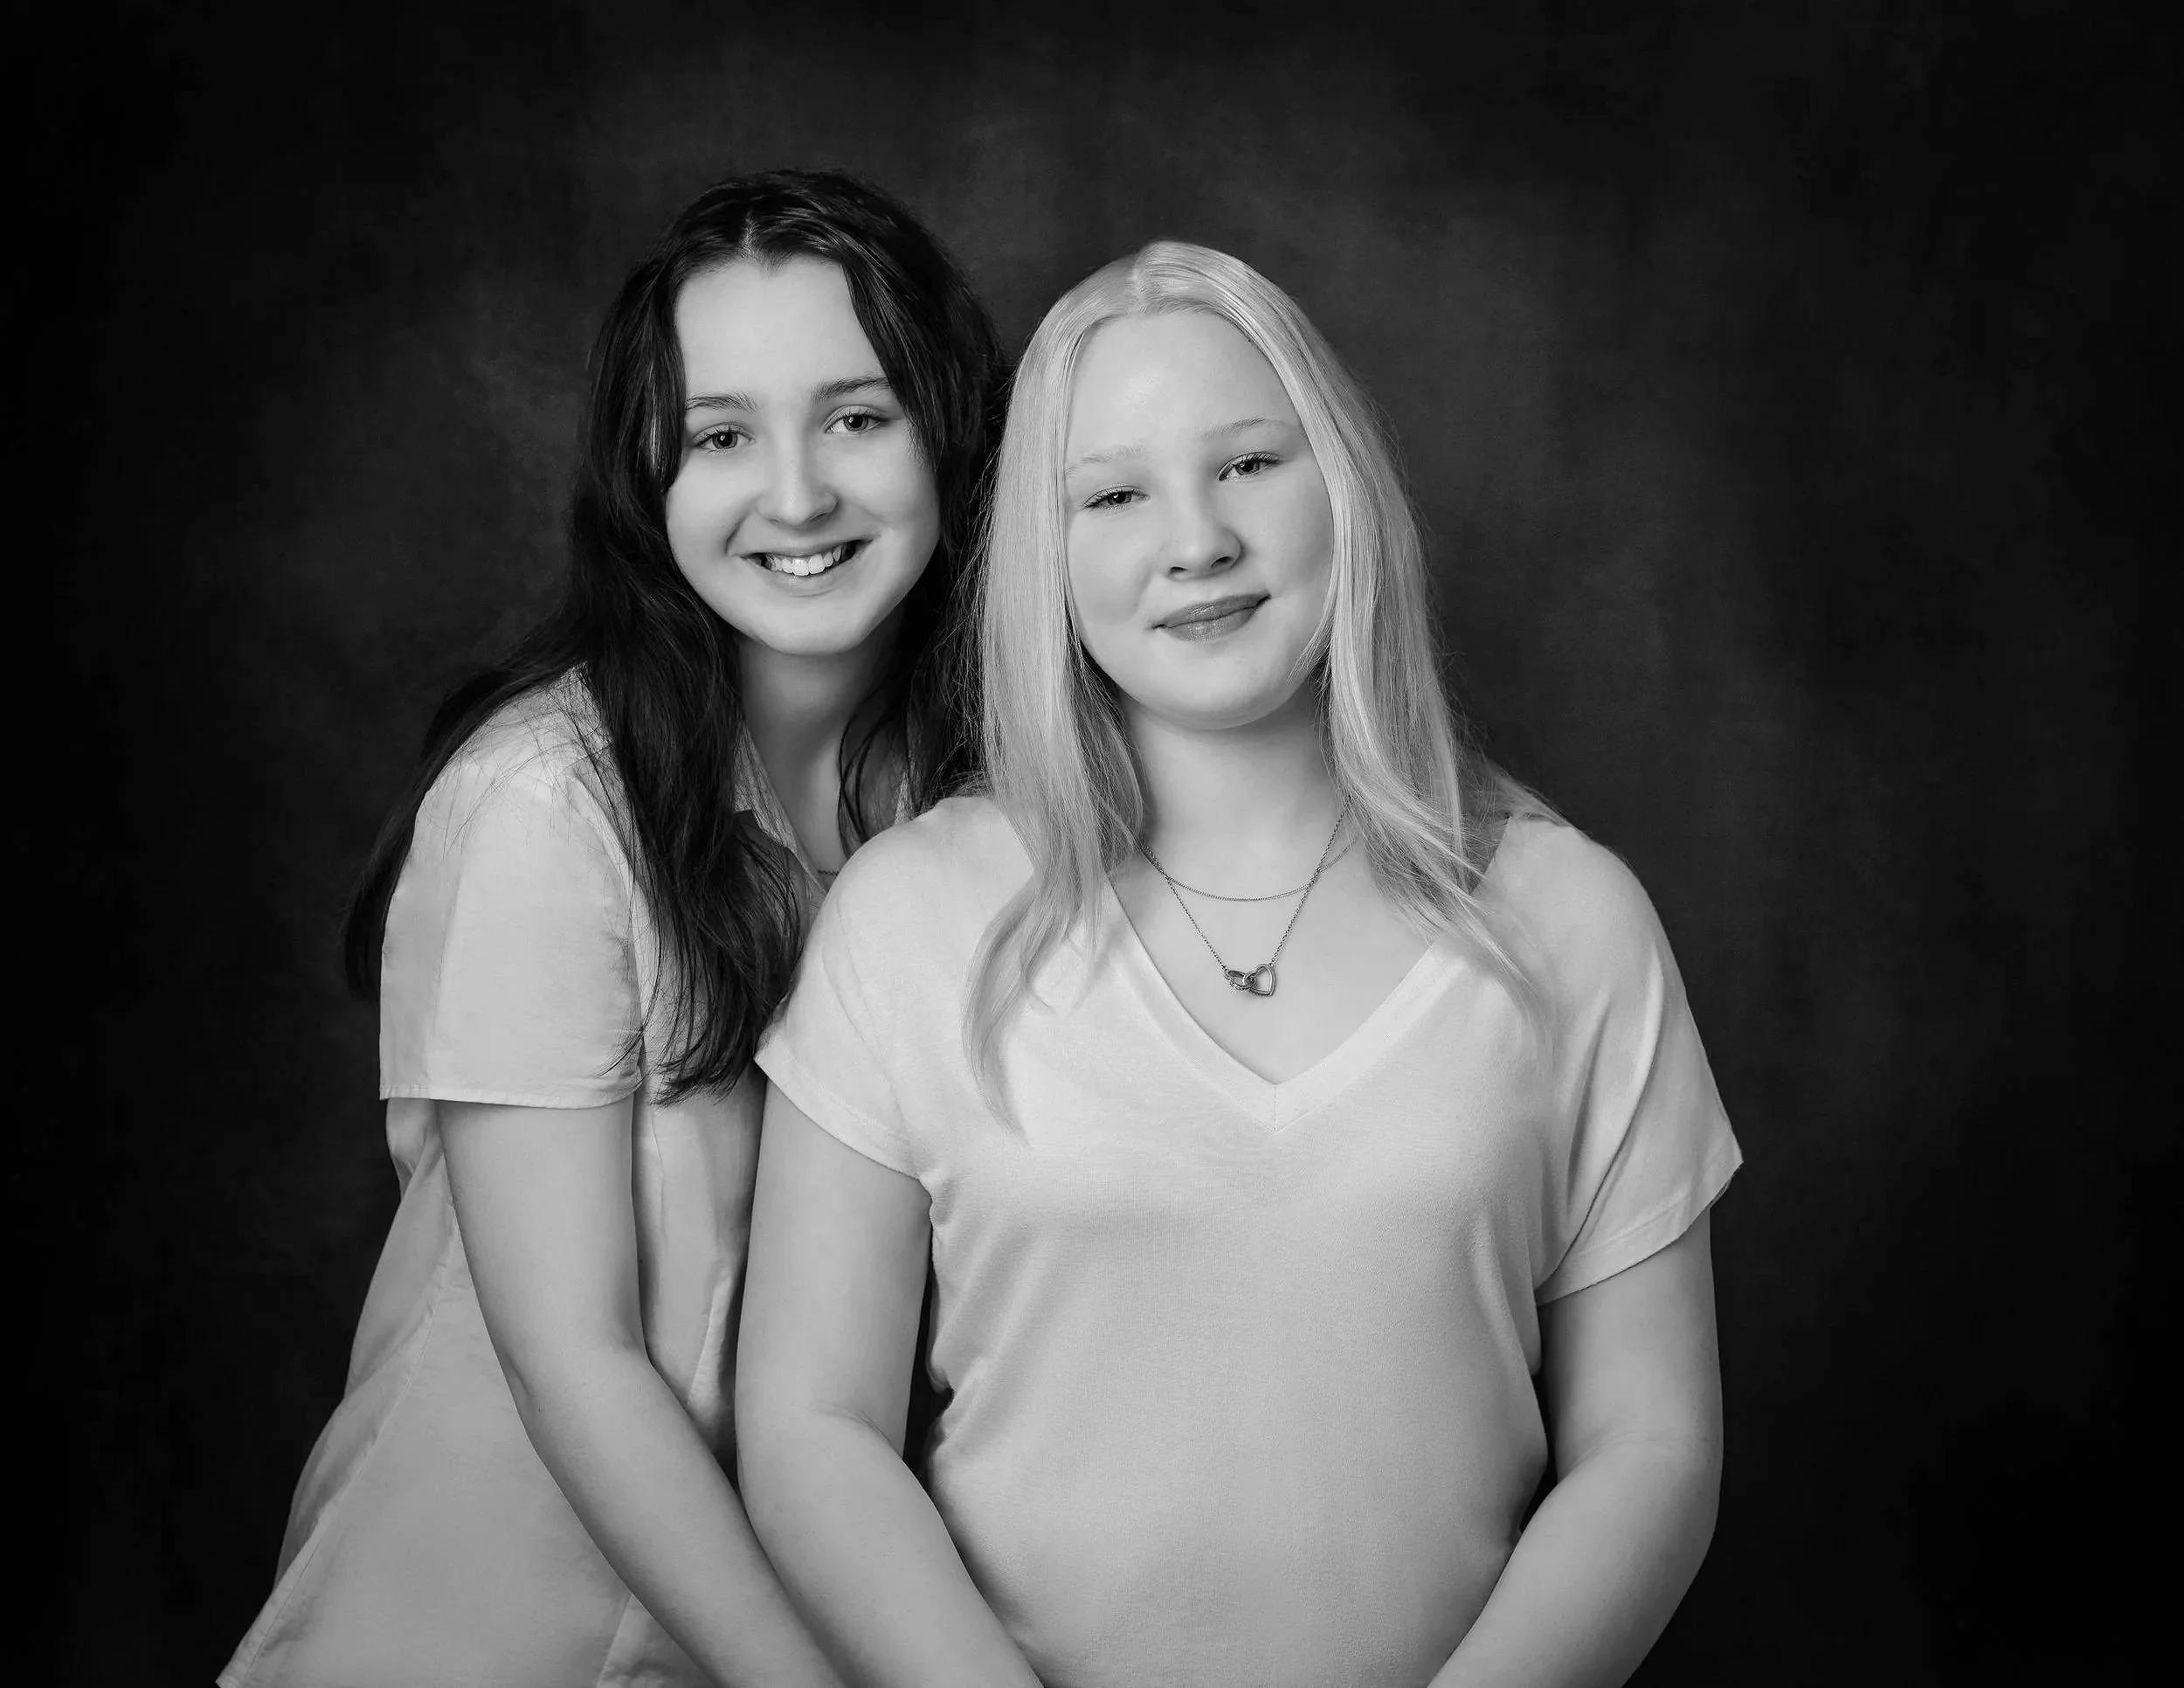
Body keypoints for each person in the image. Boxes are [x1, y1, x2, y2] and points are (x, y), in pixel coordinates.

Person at [736, 240, 1742, 1687]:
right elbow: (810, 1431)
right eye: (1115, 495)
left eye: (1251, 464)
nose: (1196, 540)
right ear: (1044, 557)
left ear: (1344, 489)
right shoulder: (909, 920)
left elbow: (1651, 1446)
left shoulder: (1572, 919)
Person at [223, 169, 1003, 1688]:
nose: (797, 495)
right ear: (649, 477)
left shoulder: (981, 806)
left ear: (950, 432)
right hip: (470, 1633)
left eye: (857, 417)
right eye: (721, 436)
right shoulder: (544, 806)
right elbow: (571, 1364)